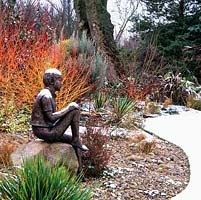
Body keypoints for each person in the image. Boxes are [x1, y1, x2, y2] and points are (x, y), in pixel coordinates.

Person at [31, 68, 88, 172]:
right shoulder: (46, 96)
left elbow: (51, 119)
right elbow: (51, 117)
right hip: (45, 132)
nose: (62, 83)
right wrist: (68, 109)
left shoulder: (50, 94)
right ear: (52, 81)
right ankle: (75, 141)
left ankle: (80, 170)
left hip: (47, 128)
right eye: (59, 80)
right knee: (74, 110)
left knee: (76, 137)